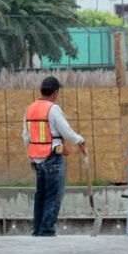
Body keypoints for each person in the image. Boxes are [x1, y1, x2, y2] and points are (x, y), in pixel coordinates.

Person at [23, 76, 84, 236]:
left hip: (37, 159)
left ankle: (38, 230)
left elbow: (25, 136)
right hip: (52, 158)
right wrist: (80, 140)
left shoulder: (29, 109)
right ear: (55, 92)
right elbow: (66, 132)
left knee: (40, 195)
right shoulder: (53, 109)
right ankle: (47, 230)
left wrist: (30, 157)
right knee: (53, 195)